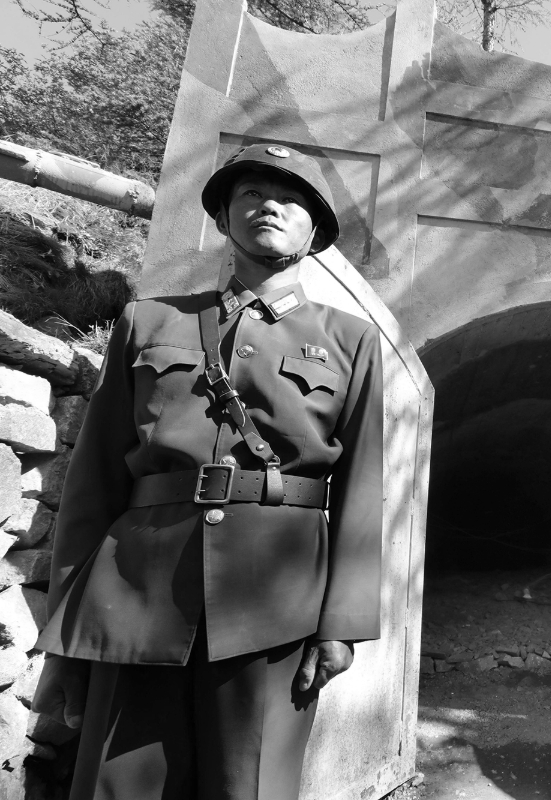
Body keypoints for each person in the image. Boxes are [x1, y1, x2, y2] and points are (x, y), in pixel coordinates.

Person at [30, 142, 384, 800]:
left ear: (315, 233)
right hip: (134, 595)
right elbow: (93, 482)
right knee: (118, 789)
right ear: (222, 218)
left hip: (275, 605)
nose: (270, 205)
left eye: (292, 199)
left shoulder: (350, 341)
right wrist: (65, 629)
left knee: (248, 788)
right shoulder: (148, 321)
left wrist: (342, 623)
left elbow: (364, 490)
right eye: (251, 194)